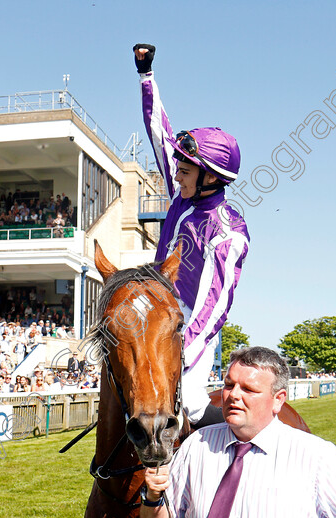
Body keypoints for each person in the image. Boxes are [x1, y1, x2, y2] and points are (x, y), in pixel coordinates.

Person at [140, 347, 336, 518]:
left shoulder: (318, 457)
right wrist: (152, 497)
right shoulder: (196, 446)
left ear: (279, 399)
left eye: (249, 389)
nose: (233, 396)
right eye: (229, 385)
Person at [134, 43, 249, 429]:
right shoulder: (183, 193)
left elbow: (214, 305)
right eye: (179, 169)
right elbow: (158, 133)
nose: (176, 174)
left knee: (192, 406)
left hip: (190, 323)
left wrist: (183, 348)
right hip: (155, 305)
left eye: (184, 170)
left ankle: (240, 446)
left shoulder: (228, 230)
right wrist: (146, 76)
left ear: (211, 177)